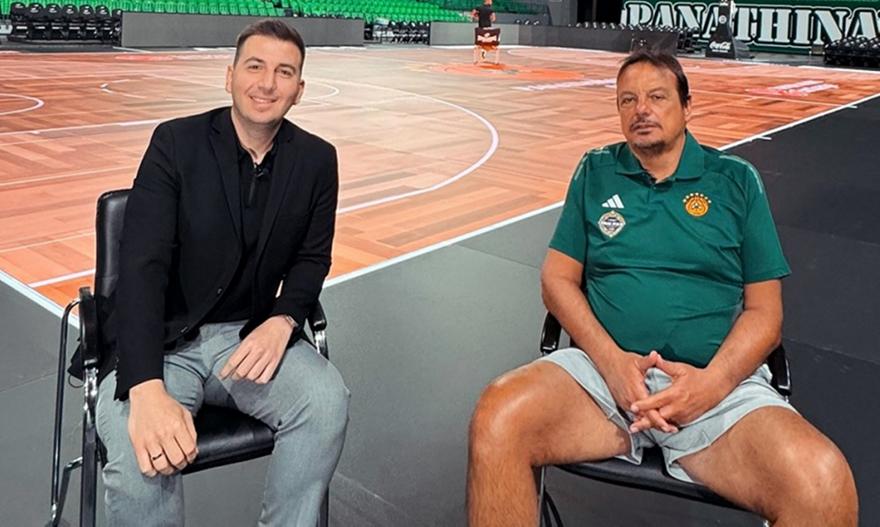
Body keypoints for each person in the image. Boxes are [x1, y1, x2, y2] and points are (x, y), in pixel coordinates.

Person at [466, 49, 858, 527]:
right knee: (498, 416)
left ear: (686, 106)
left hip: (715, 391)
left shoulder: (736, 181)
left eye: (656, 97)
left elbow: (765, 314)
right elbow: (557, 279)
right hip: (602, 381)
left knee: (823, 483)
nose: (641, 110)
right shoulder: (595, 172)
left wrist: (710, 385)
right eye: (627, 100)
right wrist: (612, 363)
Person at [95, 19, 350, 526]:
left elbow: (311, 258)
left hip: (248, 340)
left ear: (299, 90)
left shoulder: (318, 160)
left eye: (284, 72)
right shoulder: (175, 143)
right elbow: (141, 268)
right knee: (139, 443)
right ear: (229, 76)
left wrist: (283, 319)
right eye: (255, 66)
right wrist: (144, 386)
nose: (267, 83)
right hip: (166, 344)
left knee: (325, 402)